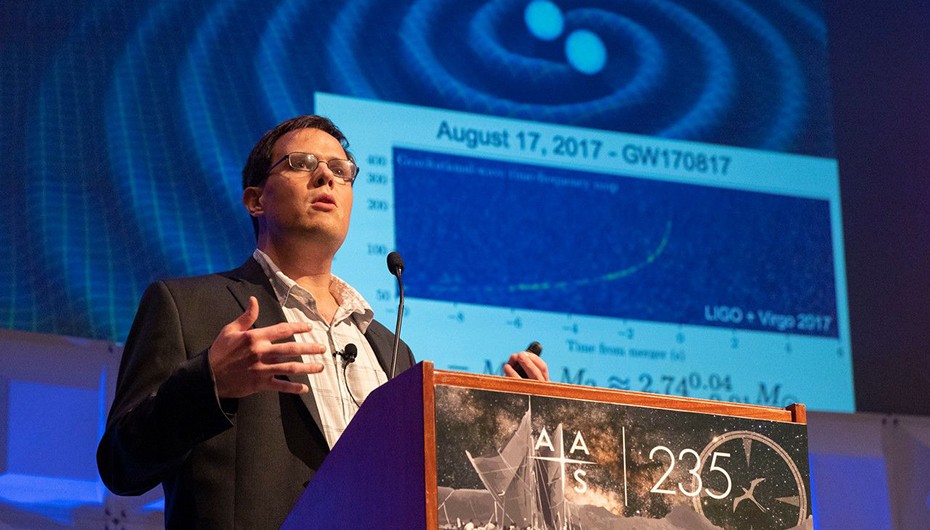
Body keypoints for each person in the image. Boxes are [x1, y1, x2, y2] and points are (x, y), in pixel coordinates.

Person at [96, 115, 549, 529]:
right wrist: (209, 384)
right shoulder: (188, 307)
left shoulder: (389, 348)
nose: (326, 175)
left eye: (341, 168)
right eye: (301, 163)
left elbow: (425, 490)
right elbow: (121, 465)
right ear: (255, 200)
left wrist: (503, 415)